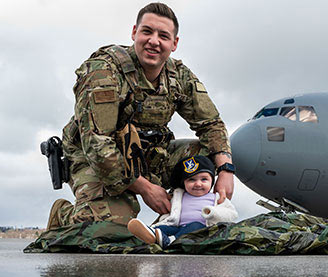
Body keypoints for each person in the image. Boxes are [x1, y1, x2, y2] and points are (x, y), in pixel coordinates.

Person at [46, 2, 235, 230]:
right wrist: (146, 189)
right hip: (94, 158)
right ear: (134, 32)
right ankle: (64, 215)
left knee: (211, 155)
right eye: (147, 32)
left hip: (146, 153)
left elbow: (211, 125)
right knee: (109, 229)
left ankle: (176, 219)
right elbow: (97, 144)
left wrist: (225, 170)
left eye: (163, 36)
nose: (154, 41)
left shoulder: (179, 76)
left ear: (174, 44)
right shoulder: (103, 71)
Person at [127, 155, 238, 247]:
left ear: (212, 181)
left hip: (202, 230)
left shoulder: (216, 198)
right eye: (191, 180)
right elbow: (171, 214)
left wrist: (213, 212)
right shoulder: (179, 196)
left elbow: (232, 215)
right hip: (178, 227)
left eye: (204, 179)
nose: (198, 184)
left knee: (195, 225)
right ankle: (151, 234)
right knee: (163, 228)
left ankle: (171, 241)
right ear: (183, 183)